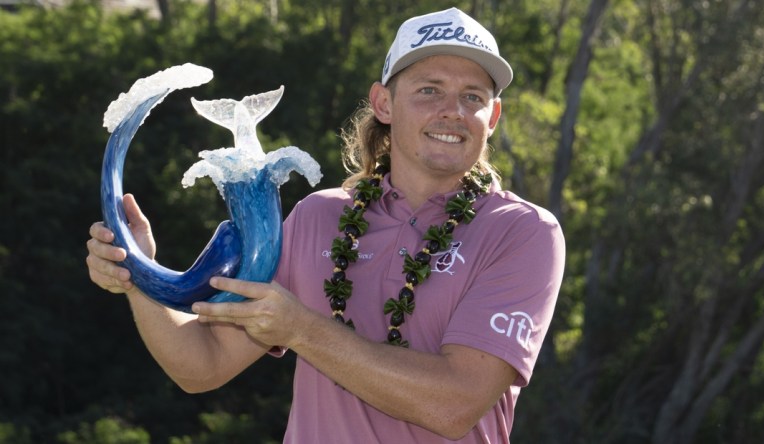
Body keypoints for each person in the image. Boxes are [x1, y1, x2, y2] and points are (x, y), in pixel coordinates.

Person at [86, 7, 565, 443]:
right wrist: (138, 275)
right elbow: (202, 365)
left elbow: (453, 403)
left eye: (473, 97)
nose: (452, 112)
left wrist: (301, 329)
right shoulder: (317, 216)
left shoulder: (523, 232)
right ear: (383, 103)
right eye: (429, 90)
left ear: (493, 117)